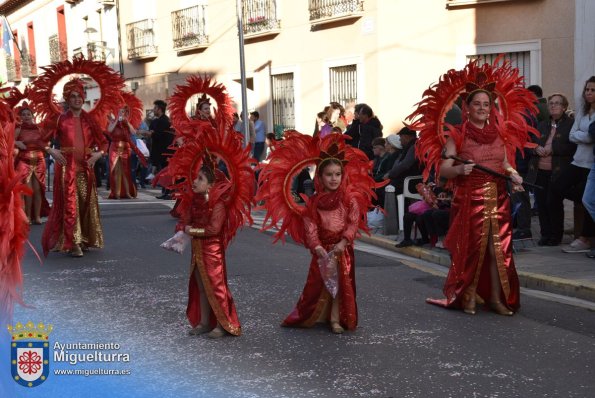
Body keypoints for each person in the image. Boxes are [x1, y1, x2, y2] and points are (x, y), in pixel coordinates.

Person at [427, 89, 523, 315]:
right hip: (470, 199)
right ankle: (467, 295)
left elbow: (505, 164)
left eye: (486, 104)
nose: (482, 108)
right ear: (467, 108)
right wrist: (460, 169)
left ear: (491, 108)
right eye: (477, 104)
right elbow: (444, 169)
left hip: (498, 199)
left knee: (497, 250)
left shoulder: (499, 134)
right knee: (472, 249)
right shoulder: (458, 135)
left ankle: (496, 298)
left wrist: (513, 174)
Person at [42, 79, 107, 257]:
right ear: (68, 99)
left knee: (86, 203)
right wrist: (51, 150)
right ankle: (73, 242)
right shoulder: (60, 119)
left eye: (79, 96)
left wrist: (98, 154)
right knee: (71, 204)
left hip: (85, 168)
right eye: (73, 96)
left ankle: (84, 238)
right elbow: (42, 140)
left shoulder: (90, 120)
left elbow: (104, 143)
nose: (77, 99)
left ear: (83, 98)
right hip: (67, 167)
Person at [177, 164, 241, 338]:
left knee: (216, 287)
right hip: (197, 250)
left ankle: (223, 324)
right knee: (201, 287)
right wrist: (182, 228)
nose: (195, 181)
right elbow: (185, 221)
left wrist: (192, 231)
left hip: (212, 251)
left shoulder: (218, 205)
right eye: (196, 177)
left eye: (200, 179)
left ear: (211, 185)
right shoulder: (195, 201)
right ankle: (205, 322)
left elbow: (214, 229)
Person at [550, 77, 595, 253]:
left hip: (592, 164)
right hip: (578, 161)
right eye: (587, 90)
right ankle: (555, 233)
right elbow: (572, 135)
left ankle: (585, 237)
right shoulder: (583, 113)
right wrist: (587, 136)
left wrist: (583, 135)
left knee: (589, 199)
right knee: (556, 188)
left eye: (593, 90)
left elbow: (590, 136)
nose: (589, 93)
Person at [526, 93, 576, 246]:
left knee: (553, 203)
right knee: (541, 203)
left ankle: (555, 235)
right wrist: (535, 149)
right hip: (539, 170)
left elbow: (573, 146)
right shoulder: (542, 125)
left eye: (557, 103)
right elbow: (529, 144)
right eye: (551, 103)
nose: (553, 106)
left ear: (564, 107)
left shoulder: (570, 124)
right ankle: (545, 234)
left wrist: (553, 149)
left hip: (558, 171)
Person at [13, 105, 50, 224]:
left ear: (32, 116)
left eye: (28, 114)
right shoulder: (18, 129)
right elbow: (9, 142)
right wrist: (16, 142)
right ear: (20, 117)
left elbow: (46, 142)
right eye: (23, 115)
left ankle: (37, 216)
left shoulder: (39, 129)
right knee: (28, 190)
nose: (26, 116)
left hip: (39, 161)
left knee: (38, 190)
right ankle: (28, 216)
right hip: (24, 161)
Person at [106, 106, 145, 199]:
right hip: (114, 147)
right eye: (119, 112)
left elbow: (134, 132)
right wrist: (116, 121)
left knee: (126, 171)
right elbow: (109, 130)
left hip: (125, 149)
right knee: (115, 170)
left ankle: (127, 192)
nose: (121, 113)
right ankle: (117, 193)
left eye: (123, 112)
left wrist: (126, 123)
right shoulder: (112, 122)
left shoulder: (127, 123)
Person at [143, 100, 173, 199]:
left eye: (155, 108)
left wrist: (149, 133)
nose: (153, 110)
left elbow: (157, 134)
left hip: (166, 151)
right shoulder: (156, 121)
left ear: (159, 109)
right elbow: (151, 131)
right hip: (158, 151)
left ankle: (168, 192)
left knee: (167, 172)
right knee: (163, 172)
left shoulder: (165, 121)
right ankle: (165, 191)